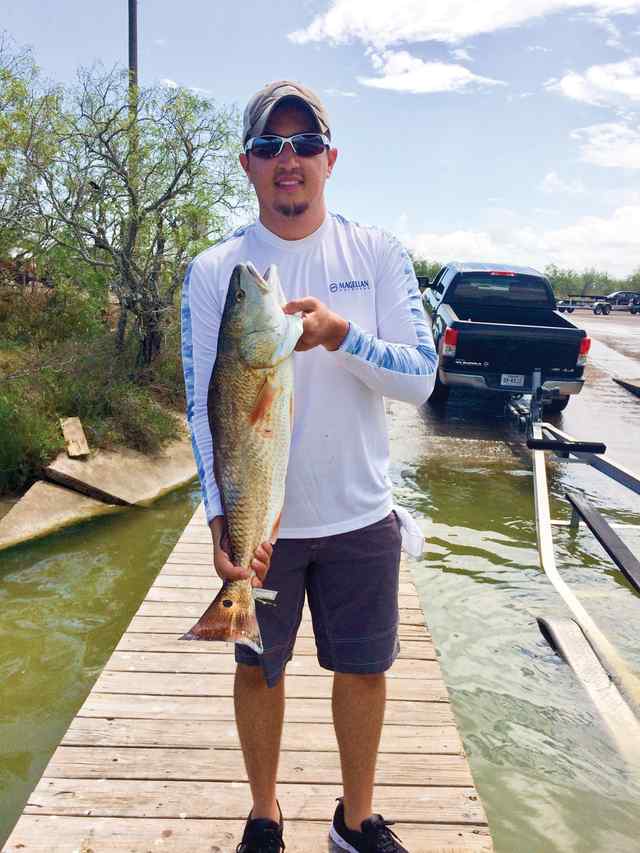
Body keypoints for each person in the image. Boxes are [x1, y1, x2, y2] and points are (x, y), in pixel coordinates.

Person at [181, 80, 437, 853]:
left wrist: (341, 337)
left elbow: (420, 375)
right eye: (268, 146)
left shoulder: (377, 253)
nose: (285, 158)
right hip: (265, 527)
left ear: (331, 158)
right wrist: (222, 523)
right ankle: (265, 814)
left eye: (301, 144)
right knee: (259, 666)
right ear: (247, 165)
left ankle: (355, 821)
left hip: (360, 512)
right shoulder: (217, 271)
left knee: (363, 669)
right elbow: (203, 406)